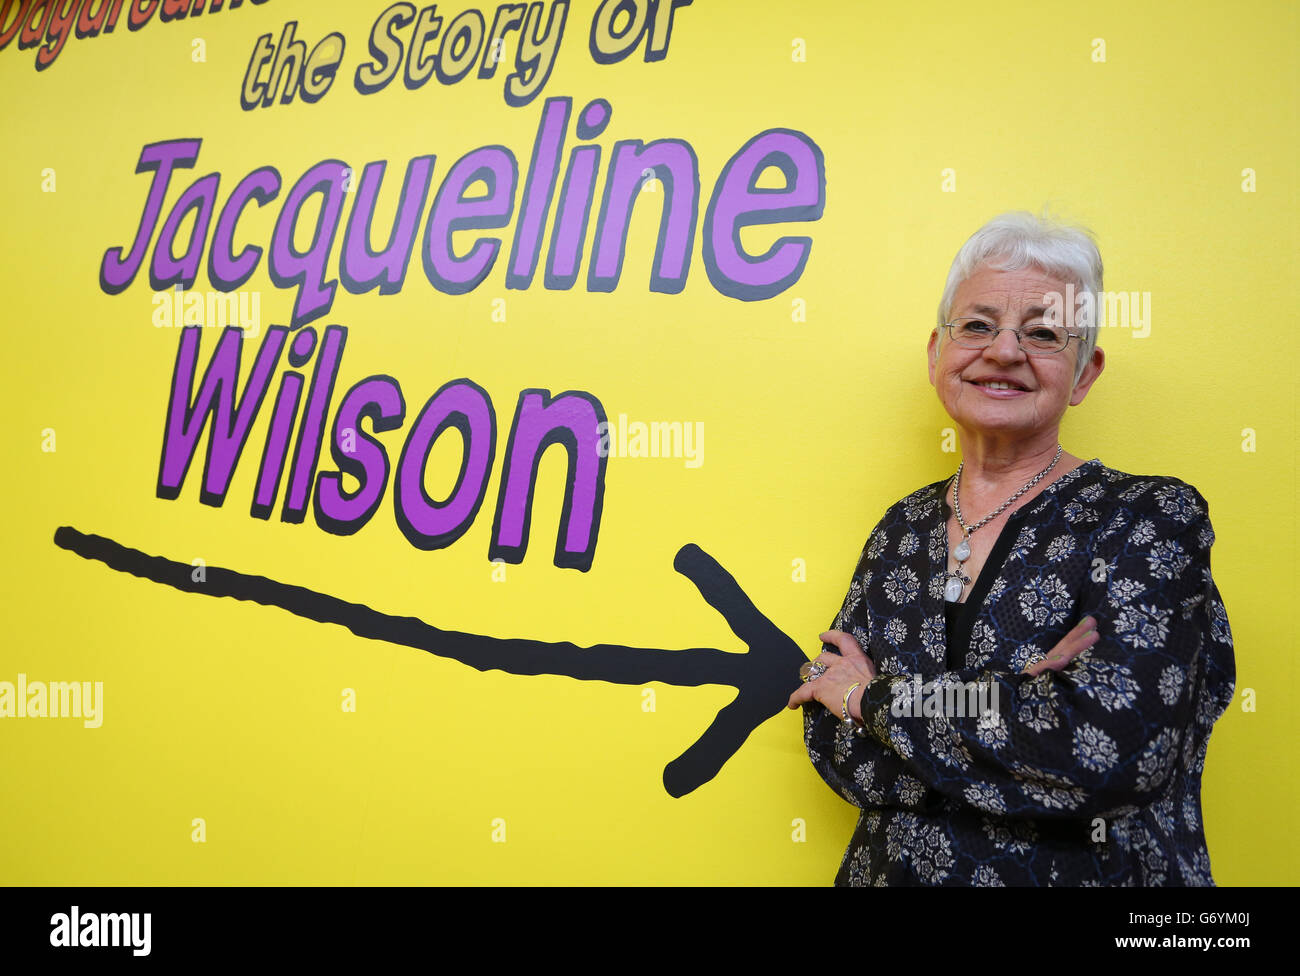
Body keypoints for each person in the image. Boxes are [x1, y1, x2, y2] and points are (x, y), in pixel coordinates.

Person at [787, 211, 1235, 886]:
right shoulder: (901, 528)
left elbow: (1112, 750)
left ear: (1084, 373)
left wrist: (877, 702)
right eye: (977, 325)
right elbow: (833, 745)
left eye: (1044, 333)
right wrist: (1013, 708)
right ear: (938, 353)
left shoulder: (1149, 519)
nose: (1003, 351)